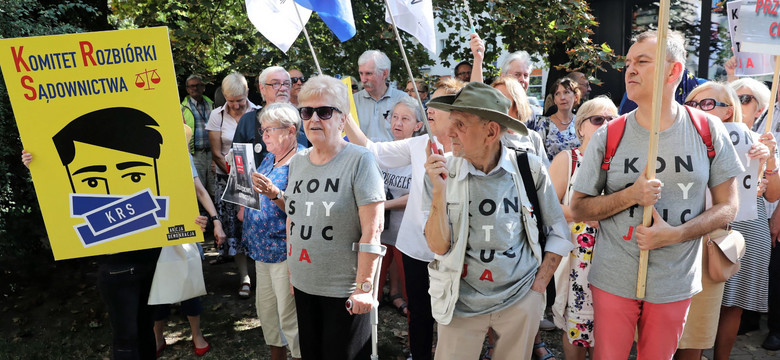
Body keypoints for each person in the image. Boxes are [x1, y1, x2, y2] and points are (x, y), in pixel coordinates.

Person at [569, 30, 743, 359]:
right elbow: (578, 208)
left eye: (643, 62)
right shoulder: (610, 134)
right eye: (628, 63)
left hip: (675, 279)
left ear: (673, 71)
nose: (630, 70)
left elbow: (727, 206)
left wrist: (676, 234)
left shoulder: (707, 129)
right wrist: (630, 195)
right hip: (613, 278)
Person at [22, 107, 209, 360]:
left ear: (156, 170)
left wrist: (193, 221)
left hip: (153, 260)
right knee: (127, 338)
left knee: (142, 331)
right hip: (117, 263)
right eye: (92, 182)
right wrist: (39, 164)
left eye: (134, 176)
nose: (114, 191)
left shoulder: (170, 173)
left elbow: (180, 198)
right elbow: (57, 195)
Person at [423, 82, 574, 360]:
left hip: (519, 301)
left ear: (491, 131)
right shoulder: (442, 171)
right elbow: (437, 245)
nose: (449, 132)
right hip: (459, 303)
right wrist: (438, 192)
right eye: (451, 122)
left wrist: (537, 288)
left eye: (460, 124)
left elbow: (559, 233)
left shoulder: (529, 168)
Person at [343, 77, 466, 360]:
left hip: (452, 252)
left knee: (452, 317)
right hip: (414, 249)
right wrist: (346, 115)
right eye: (429, 103)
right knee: (419, 313)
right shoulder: (420, 143)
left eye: (437, 104)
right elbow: (371, 151)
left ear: (457, 112)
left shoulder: (468, 153)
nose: (429, 109)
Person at [675, 82, 777, 359]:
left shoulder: (758, 142)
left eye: (707, 104)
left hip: (743, 231)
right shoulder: (682, 137)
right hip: (701, 228)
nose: (697, 109)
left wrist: (770, 162)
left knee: (733, 304)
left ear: (729, 110)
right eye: (693, 104)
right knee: (694, 305)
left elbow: (773, 194)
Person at [286, 75, 385, 360]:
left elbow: (373, 230)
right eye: (307, 112)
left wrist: (364, 288)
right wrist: (293, 272)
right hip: (305, 283)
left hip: (344, 290)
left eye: (324, 111)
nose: (314, 119)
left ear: (342, 119)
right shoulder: (298, 161)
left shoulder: (360, 160)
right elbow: (293, 218)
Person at [549, 97, 616, 360]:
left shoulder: (623, 162)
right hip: (578, 260)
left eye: (612, 119)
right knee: (576, 330)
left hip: (614, 258)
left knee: (608, 331)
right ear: (581, 127)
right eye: (598, 119)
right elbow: (548, 207)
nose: (606, 124)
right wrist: (585, 215)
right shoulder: (569, 159)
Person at [239, 102, 304, 360]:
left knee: (290, 318)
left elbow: (302, 209)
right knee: (267, 313)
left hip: (284, 251)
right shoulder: (269, 157)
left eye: (269, 130)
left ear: (290, 131)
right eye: (262, 130)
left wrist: (275, 194)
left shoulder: (302, 161)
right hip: (260, 249)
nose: (263, 135)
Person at [155, 134, 226, 357]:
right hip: (152, 228)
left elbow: (199, 190)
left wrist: (216, 221)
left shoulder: (182, 155)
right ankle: (157, 336)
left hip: (182, 226)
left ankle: (196, 333)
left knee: (188, 279)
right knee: (156, 285)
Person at [205, 72, 260, 299]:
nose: (236, 105)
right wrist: (237, 176)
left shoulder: (258, 113)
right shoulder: (217, 116)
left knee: (256, 226)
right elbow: (217, 154)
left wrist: (249, 178)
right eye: (230, 100)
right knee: (234, 229)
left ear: (247, 92)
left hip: (257, 180)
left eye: (239, 99)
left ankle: (264, 273)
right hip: (226, 179)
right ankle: (244, 277)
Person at [233, 66, 294, 165]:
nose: (282, 88)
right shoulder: (248, 120)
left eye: (286, 83)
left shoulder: (304, 119)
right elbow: (238, 162)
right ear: (262, 88)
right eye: (276, 83)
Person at [354, 50, 409, 142]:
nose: (363, 79)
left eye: (369, 73)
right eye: (361, 73)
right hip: (362, 155)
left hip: (394, 154)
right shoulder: (353, 101)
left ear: (384, 74)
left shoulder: (403, 100)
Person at [527, 77, 581, 161]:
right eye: (557, 94)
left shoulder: (581, 123)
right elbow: (536, 154)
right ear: (554, 100)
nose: (562, 97)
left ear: (576, 97)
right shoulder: (544, 124)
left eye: (566, 92)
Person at [182, 74, 216, 198]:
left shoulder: (211, 105)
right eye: (191, 86)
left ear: (203, 87)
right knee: (198, 189)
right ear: (187, 89)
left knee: (214, 188)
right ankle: (203, 216)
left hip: (212, 153)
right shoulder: (182, 109)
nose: (194, 88)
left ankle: (216, 215)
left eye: (198, 85)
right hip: (195, 154)